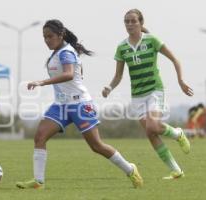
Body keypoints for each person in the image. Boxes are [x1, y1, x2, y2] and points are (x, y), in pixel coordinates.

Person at [16, 19, 143, 189]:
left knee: (96, 146)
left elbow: (69, 74)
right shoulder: (57, 52)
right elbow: (76, 73)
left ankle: (130, 169)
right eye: (44, 37)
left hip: (79, 105)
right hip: (61, 105)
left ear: (60, 36)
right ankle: (38, 181)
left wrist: (42, 82)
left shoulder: (65, 53)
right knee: (40, 136)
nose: (47, 40)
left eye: (50, 36)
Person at [102, 9, 194, 180]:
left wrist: (181, 81)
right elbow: (118, 76)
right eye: (126, 21)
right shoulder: (122, 47)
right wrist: (109, 87)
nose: (129, 24)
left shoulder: (151, 40)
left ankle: (178, 134)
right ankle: (176, 170)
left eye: (133, 21)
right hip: (137, 96)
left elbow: (175, 59)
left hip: (154, 90)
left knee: (153, 126)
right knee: (151, 134)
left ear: (141, 23)